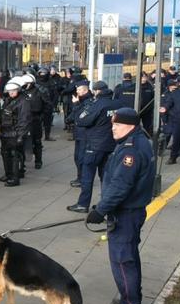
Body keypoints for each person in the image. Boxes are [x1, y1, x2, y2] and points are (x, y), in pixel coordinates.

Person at [86, 108, 155, 304]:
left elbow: (120, 185)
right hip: (131, 212)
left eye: (117, 124)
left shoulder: (130, 150)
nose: (112, 127)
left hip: (125, 214)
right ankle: (133, 301)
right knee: (130, 257)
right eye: (113, 123)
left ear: (131, 126)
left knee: (122, 263)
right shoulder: (138, 140)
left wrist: (100, 210)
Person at [67, 81, 122, 213]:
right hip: (111, 145)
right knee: (106, 178)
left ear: (96, 91)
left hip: (94, 145)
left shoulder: (97, 104)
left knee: (87, 176)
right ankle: (105, 206)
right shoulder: (118, 103)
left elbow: (81, 120)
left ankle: (83, 204)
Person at [0, 77, 31, 186]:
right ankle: (8, 174)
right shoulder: (8, 99)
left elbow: (24, 119)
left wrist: (20, 135)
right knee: (5, 154)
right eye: (10, 91)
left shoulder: (23, 101)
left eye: (13, 91)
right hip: (5, 132)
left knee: (14, 155)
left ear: (18, 90)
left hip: (14, 133)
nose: (11, 93)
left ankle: (15, 178)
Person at [22, 72, 52, 169]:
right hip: (23, 120)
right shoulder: (21, 91)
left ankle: (38, 161)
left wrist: (42, 116)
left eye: (26, 83)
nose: (24, 85)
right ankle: (21, 162)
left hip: (35, 119)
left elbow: (48, 105)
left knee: (37, 141)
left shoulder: (40, 90)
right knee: (22, 141)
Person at [67, 80, 93, 187]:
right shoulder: (80, 100)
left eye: (79, 89)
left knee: (82, 158)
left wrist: (76, 105)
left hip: (85, 134)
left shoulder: (89, 101)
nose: (77, 91)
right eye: (77, 89)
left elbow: (80, 117)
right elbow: (72, 117)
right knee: (77, 157)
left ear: (85, 90)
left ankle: (83, 179)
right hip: (78, 133)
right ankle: (80, 177)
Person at [37, 67, 57, 141]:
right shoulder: (36, 82)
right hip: (39, 105)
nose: (42, 75)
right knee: (38, 122)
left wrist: (53, 104)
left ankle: (47, 136)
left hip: (48, 105)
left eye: (44, 74)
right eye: (41, 74)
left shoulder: (51, 82)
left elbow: (55, 94)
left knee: (47, 122)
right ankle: (38, 137)